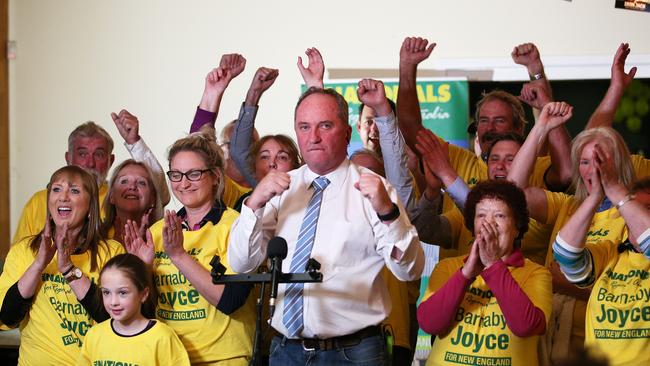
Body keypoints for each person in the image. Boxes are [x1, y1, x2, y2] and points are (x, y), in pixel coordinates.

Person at [229, 85, 424, 365]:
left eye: (325, 126)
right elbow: (241, 263)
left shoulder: (376, 189)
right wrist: (253, 205)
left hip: (354, 352)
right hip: (287, 351)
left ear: (346, 133)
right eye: (304, 127)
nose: (314, 137)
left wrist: (387, 213)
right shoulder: (279, 189)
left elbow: (410, 269)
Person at [127, 127, 254, 364]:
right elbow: (144, 308)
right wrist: (141, 271)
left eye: (194, 174)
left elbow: (230, 301)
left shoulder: (236, 227)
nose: (183, 184)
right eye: (176, 174)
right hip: (169, 356)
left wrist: (178, 255)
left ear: (216, 176)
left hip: (222, 357)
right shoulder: (157, 231)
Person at [397, 37, 572, 192]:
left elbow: (566, 172)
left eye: (499, 120)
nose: (490, 128)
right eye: (483, 120)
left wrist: (540, 84)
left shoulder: (535, 165)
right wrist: (407, 66)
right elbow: (410, 129)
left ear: (518, 128)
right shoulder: (458, 160)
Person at [417, 180, 552, 365]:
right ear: (472, 226)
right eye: (481, 215)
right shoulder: (448, 267)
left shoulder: (537, 273)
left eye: (499, 215)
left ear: (517, 227)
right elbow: (430, 323)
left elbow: (525, 326)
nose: (489, 223)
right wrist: (465, 274)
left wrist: (494, 265)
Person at [0, 166, 124, 365]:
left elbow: (113, 318)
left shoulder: (111, 252)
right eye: (57, 189)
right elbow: (8, 317)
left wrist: (68, 269)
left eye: (74, 190)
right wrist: (39, 264)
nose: (63, 197)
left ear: (91, 206)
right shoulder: (23, 251)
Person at [13, 110, 168, 245]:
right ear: (68, 158)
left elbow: (159, 194)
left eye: (99, 154)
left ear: (111, 160)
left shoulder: (118, 196)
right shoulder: (40, 201)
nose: (90, 162)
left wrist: (134, 142)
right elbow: (19, 259)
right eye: (82, 154)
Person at [552, 158, 650, 365]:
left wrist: (616, 191)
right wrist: (595, 197)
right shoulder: (611, 251)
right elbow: (564, 257)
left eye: (647, 208)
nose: (635, 215)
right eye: (632, 208)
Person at [77, 253, 190, 366]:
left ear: (144, 294)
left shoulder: (163, 338)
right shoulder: (94, 335)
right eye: (106, 292)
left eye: (122, 293)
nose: (113, 302)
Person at [100, 159, 166, 244]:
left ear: (153, 198)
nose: (132, 186)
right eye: (124, 181)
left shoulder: (166, 236)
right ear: (111, 196)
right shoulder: (94, 236)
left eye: (141, 182)